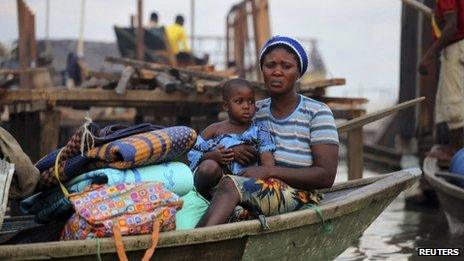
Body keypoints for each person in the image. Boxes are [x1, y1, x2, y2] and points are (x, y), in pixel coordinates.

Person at [196, 35, 339, 227]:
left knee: (229, 185)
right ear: (262, 70)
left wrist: (267, 171)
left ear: (298, 73)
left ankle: (195, 246)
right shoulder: (254, 111)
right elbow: (226, 136)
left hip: (300, 195)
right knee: (209, 173)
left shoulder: (317, 112)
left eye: (286, 66)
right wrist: (234, 149)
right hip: (251, 186)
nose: (277, 72)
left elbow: (326, 176)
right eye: (270, 66)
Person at [188, 78, 276, 200]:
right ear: (226, 105)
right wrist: (213, 156)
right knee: (209, 167)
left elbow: (268, 165)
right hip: (214, 183)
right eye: (239, 102)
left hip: (245, 183)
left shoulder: (259, 131)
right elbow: (192, 153)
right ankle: (204, 198)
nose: (246, 106)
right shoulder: (214, 130)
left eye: (251, 102)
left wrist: (261, 173)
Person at [419, 0, 464, 162]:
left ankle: (456, 150)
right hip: (458, 47)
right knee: (448, 99)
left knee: (453, 102)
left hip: (456, 48)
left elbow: (451, 26)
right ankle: (453, 147)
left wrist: (428, 55)